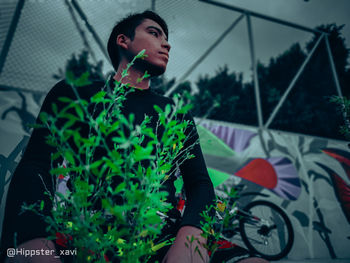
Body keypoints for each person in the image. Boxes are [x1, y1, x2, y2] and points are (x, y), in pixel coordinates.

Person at [0, 10, 268, 263]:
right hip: (85, 233)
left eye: (167, 38)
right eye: (154, 33)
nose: (166, 44)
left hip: (166, 238)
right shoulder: (74, 93)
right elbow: (36, 166)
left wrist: (192, 235)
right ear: (123, 40)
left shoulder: (174, 113)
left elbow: (199, 184)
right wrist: (30, 239)